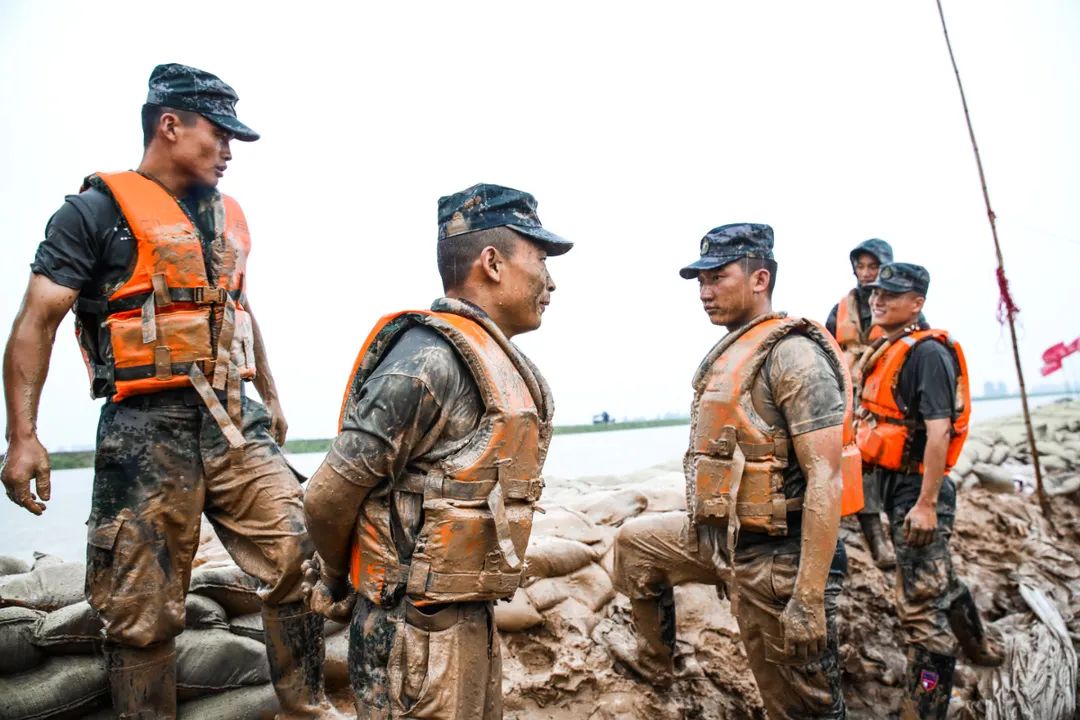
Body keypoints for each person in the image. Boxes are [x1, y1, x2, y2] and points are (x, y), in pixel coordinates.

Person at [1, 64, 343, 719]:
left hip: (232, 418)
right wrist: (23, 436)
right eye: (219, 134)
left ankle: (308, 707)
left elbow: (235, 308)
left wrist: (268, 392)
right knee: (141, 608)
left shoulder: (224, 217)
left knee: (298, 557)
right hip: (142, 429)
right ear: (170, 125)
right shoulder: (93, 213)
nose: (230, 150)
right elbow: (35, 319)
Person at [301, 183, 572, 719]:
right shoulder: (425, 361)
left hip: (465, 619)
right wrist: (337, 577)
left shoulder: (495, 358)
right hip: (411, 634)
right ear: (492, 263)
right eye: (540, 260)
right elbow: (327, 498)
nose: (552, 281)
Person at [611, 223, 863, 719]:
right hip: (726, 536)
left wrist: (808, 598)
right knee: (635, 544)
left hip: (781, 555)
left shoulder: (795, 355)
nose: (704, 293)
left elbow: (825, 480)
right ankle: (657, 663)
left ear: (759, 279)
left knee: (801, 710)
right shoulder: (736, 349)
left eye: (717, 279)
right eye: (699, 283)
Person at [855, 262, 1002, 719]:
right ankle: (979, 648)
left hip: (918, 490)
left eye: (891, 295)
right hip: (898, 484)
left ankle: (926, 707)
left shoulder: (927, 354)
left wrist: (925, 504)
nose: (878, 300)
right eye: (876, 293)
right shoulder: (890, 346)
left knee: (920, 612)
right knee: (937, 580)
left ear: (917, 303)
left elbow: (938, 434)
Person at [826, 238, 898, 570]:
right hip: (854, 403)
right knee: (861, 464)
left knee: (898, 466)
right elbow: (824, 351)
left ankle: (900, 533)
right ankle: (878, 542)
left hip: (894, 402)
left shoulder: (901, 306)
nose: (866, 273)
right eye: (861, 266)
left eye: (873, 266)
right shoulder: (840, 309)